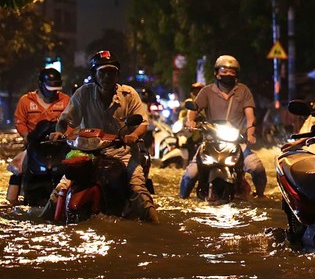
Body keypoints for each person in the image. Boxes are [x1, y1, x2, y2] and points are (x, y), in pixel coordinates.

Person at [51, 50, 158, 222]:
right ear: (94, 75)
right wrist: (60, 132)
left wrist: (133, 135)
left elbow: (142, 123)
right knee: (60, 189)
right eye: (102, 72)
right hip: (87, 153)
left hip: (122, 153)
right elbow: (65, 120)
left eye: (111, 72)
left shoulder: (129, 95)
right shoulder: (83, 93)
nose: (107, 77)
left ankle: (156, 227)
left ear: (117, 74)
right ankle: (43, 222)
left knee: (138, 189)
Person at [179, 55, 266, 198]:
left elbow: (250, 116)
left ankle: (261, 197)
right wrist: (190, 121)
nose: (228, 74)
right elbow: (193, 109)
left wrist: (250, 133)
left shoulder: (243, 91)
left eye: (232, 71)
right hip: (210, 142)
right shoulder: (206, 91)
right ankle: (182, 201)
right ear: (216, 73)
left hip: (237, 142)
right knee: (190, 175)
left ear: (236, 74)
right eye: (224, 71)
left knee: (257, 168)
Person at [5, 68, 70, 205]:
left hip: (59, 148)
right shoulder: (25, 101)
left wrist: (65, 134)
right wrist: (26, 136)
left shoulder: (65, 100)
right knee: (17, 170)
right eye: (50, 89)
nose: (53, 92)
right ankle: (12, 202)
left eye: (56, 89)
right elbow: (20, 121)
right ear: (41, 85)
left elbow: (72, 122)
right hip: (34, 147)